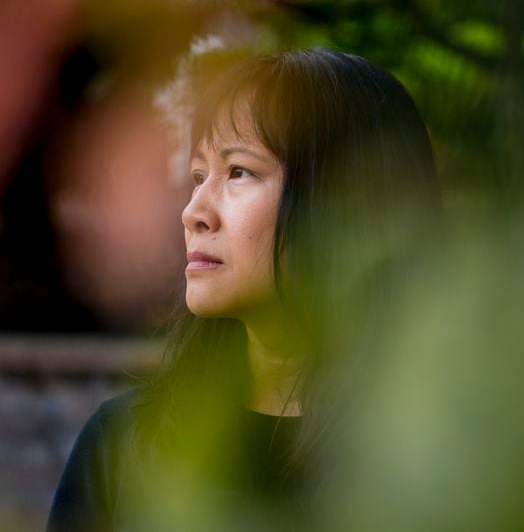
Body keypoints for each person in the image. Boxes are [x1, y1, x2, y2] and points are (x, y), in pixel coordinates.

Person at [46, 46, 443, 532]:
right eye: (198, 176)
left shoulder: (449, 463)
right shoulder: (123, 449)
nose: (194, 211)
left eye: (238, 171)